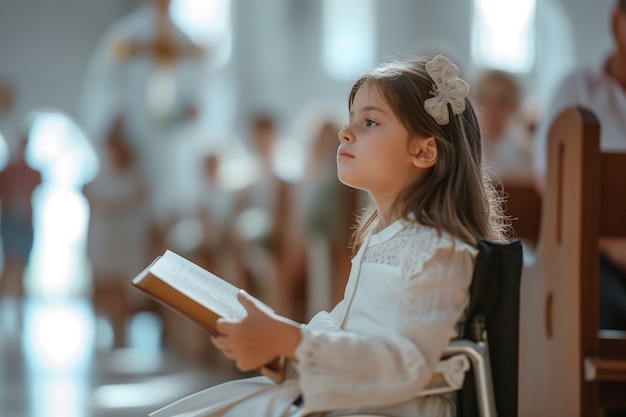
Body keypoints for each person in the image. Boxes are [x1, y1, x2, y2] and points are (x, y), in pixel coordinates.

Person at [150, 55, 509, 417]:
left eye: (369, 121)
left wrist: (292, 340)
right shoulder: (381, 241)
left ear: (423, 150)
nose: (345, 132)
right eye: (350, 119)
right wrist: (277, 345)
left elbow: (409, 364)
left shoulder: (437, 249)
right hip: (353, 397)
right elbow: (344, 332)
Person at [532, 0, 626, 334]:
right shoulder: (577, 89)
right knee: (608, 314)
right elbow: (549, 176)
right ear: (617, 23)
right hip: (590, 247)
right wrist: (608, 242)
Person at [0, 129, 42, 330]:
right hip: (10, 225)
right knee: (9, 268)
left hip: (25, 225)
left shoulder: (34, 172)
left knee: (22, 270)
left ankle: (20, 314)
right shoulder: (7, 171)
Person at [472, 69, 534, 185]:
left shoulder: (526, 158)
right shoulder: (463, 151)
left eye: (501, 101)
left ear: (514, 106)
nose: (491, 108)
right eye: (484, 99)